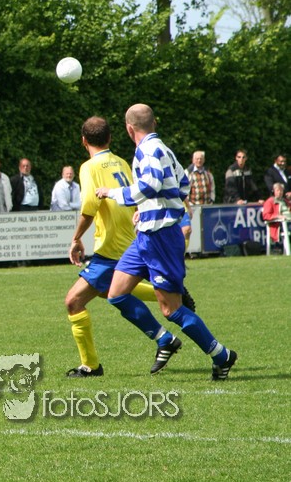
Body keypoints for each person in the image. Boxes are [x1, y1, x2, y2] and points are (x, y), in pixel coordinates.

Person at [96, 104, 237, 381]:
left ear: (129, 128)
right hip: (147, 235)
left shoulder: (148, 150)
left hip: (160, 237)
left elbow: (150, 186)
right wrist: (148, 208)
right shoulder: (165, 150)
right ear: (155, 123)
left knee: (171, 309)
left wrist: (113, 193)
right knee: (116, 293)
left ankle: (222, 356)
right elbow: (183, 185)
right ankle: (164, 340)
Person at [65, 117, 176, 377]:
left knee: (73, 301)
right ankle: (166, 292)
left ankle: (91, 366)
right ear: (110, 138)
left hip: (111, 248)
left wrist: (76, 238)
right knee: (108, 291)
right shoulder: (122, 162)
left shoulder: (89, 167)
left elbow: (89, 207)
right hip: (130, 241)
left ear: (83, 140)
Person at [262, 182, 291, 246]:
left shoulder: (285, 201)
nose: (280, 192)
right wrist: (278, 216)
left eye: (281, 190)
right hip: (281, 225)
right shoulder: (270, 201)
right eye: (278, 190)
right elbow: (266, 215)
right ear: (274, 191)